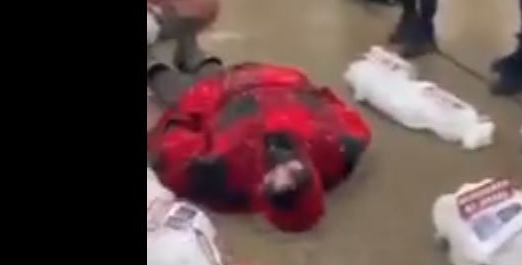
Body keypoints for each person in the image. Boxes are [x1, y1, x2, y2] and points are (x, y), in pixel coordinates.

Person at [147, 58, 372, 233]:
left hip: (216, 99)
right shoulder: (339, 148)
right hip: (266, 79)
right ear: (311, 174)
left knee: (175, 85)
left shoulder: (221, 179)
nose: (280, 162)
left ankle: (158, 66)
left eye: (274, 179)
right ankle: (191, 56)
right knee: (205, 69)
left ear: (263, 190)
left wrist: (190, 109)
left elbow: (170, 152)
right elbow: (334, 104)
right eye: (294, 172)